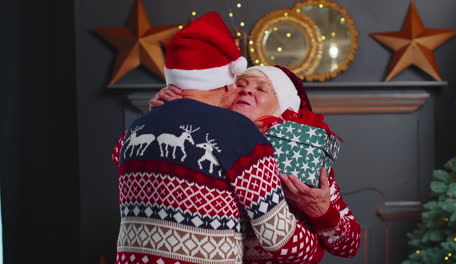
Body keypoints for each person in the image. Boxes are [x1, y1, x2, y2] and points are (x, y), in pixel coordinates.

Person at [112, 11, 331, 264]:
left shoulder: (136, 128)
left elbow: (119, 158)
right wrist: (314, 250)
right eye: (239, 84)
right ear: (227, 83)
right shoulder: (237, 131)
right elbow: (277, 236)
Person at [149, 65, 361, 263]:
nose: (247, 91)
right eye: (240, 85)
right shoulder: (201, 142)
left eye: (262, 89)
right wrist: (162, 118)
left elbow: (348, 247)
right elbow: (146, 176)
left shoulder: (304, 158)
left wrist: (323, 211)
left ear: (282, 105)